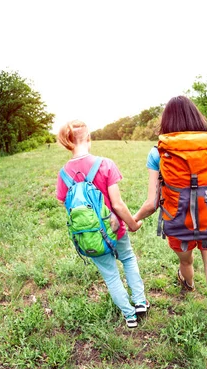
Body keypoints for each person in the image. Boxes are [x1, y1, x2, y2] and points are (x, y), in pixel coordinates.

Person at [133, 96, 207, 342]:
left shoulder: (158, 152)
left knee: (186, 263)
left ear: (166, 121)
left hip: (178, 225)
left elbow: (152, 203)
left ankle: (188, 284)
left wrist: (131, 220)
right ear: (197, 118)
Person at [55, 120, 149, 328]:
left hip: (91, 236)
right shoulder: (105, 164)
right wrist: (132, 224)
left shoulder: (63, 174)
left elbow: (69, 209)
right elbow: (117, 203)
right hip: (116, 229)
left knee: (111, 276)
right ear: (89, 138)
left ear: (68, 143)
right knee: (128, 260)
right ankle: (140, 302)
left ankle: (129, 316)